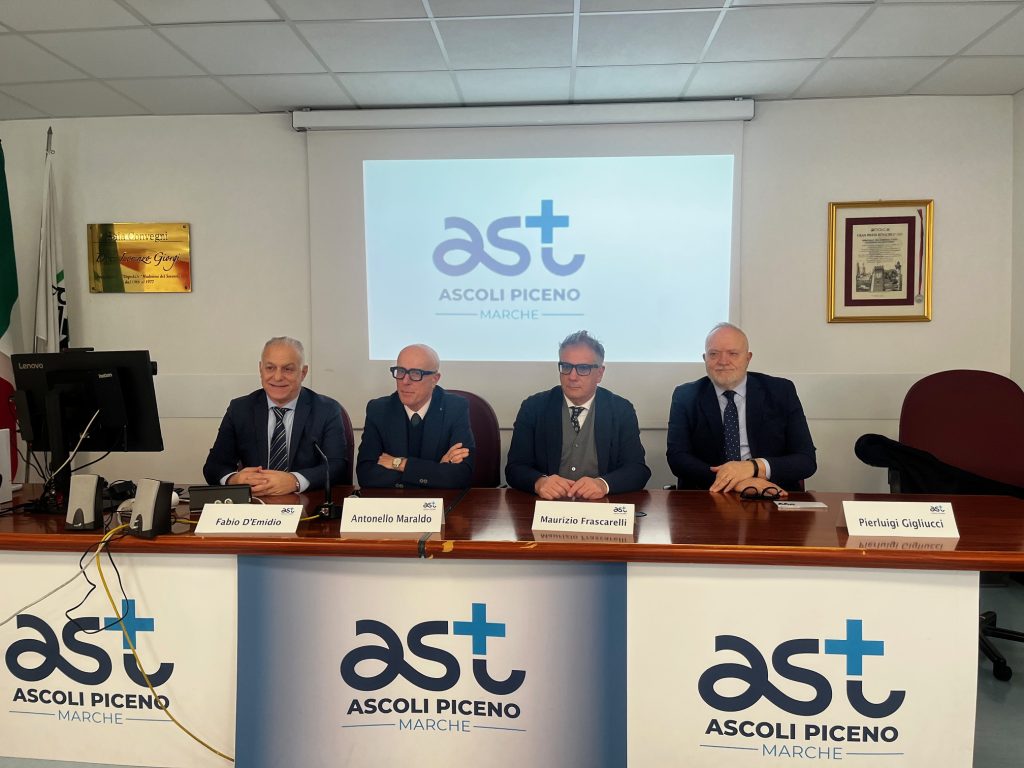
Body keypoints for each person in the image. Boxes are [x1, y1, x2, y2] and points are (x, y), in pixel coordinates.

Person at [666, 322, 815, 495]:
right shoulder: (685, 395)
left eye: (733, 354)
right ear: (705, 358)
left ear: (748, 358)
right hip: (709, 493)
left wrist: (753, 468)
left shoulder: (781, 391)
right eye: (714, 354)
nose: (723, 361)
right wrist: (737, 482)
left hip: (772, 491)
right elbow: (678, 458)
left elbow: (806, 460)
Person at [506, 330, 650, 499]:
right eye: (566, 367)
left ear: (600, 373)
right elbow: (515, 468)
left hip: (601, 507)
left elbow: (637, 470)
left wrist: (603, 484)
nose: (572, 377)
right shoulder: (534, 407)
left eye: (583, 368)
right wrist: (539, 482)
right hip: (547, 506)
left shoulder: (620, 410)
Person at [203, 337, 347, 496]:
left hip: (306, 502)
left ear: (303, 372)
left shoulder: (326, 410)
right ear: (261, 369)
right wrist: (234, 480)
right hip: (255, 502)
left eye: (288, 369)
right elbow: (214, 466)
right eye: (270, 368)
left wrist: (295, 481)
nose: (277, 377)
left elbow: (337, 466)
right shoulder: (240, 409)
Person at [356, 344, 474, 489]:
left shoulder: (455, 408)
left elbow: (460, 475)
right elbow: (366, 475)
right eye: (400, 371)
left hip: (441, 501)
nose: (405, 381)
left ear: (435, 379)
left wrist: (399, 464)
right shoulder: (379, 410)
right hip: (394, 501)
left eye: (415, 373)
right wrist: (434, 472)